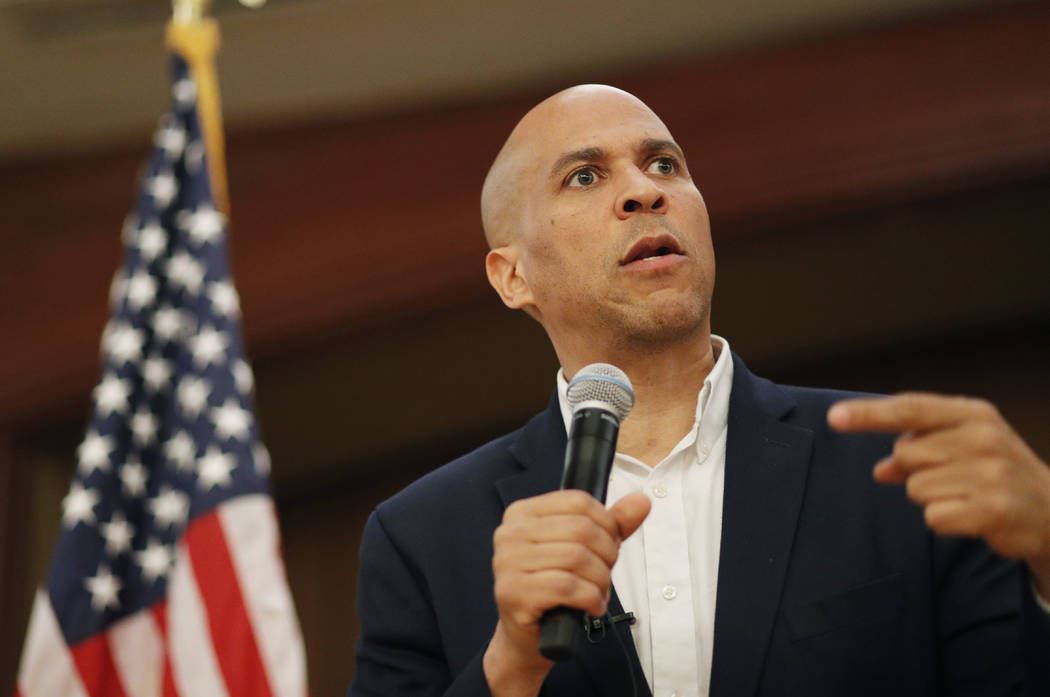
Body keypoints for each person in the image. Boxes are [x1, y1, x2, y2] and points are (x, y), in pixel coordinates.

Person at [348, 85, 1050, 697]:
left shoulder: (899, 468)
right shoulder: (420, 538)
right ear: (513, 277)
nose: (644, 190)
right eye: (585, 177)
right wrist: (508, 667)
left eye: (664, 164)